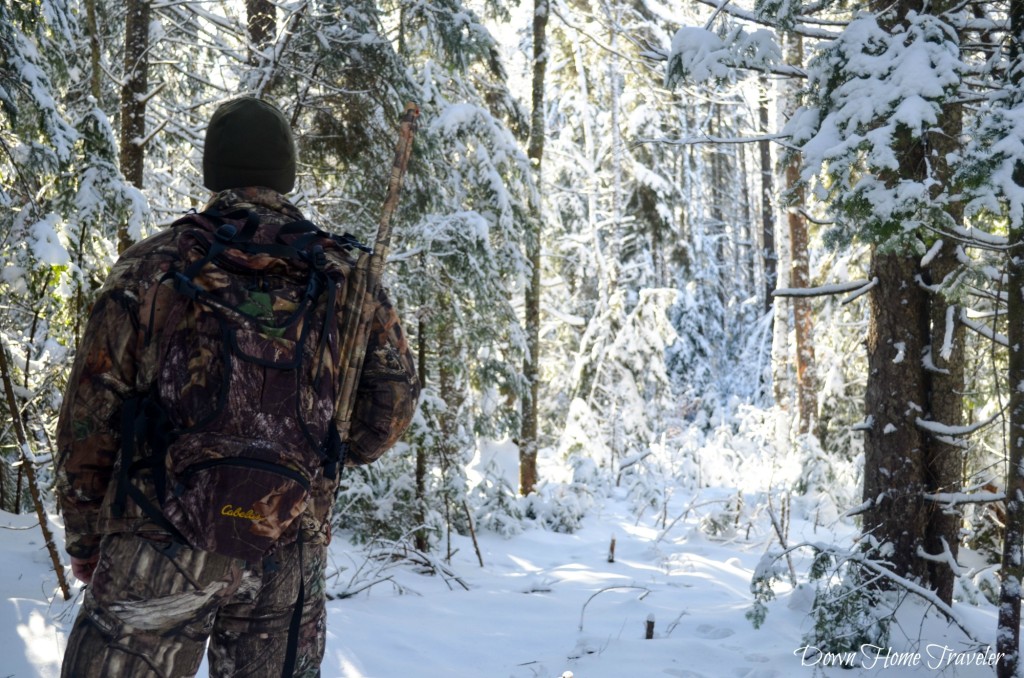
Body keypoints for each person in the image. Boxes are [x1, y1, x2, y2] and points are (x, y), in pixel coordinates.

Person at [56, 96, 420, 677]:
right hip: (288, 536)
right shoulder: (346, 278)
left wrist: (84, 535)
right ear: (288, 174)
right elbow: (393, 408)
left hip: (157, 533)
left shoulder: (153, 267)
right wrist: (314, 457)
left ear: (212, 171)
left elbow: (89, 415)